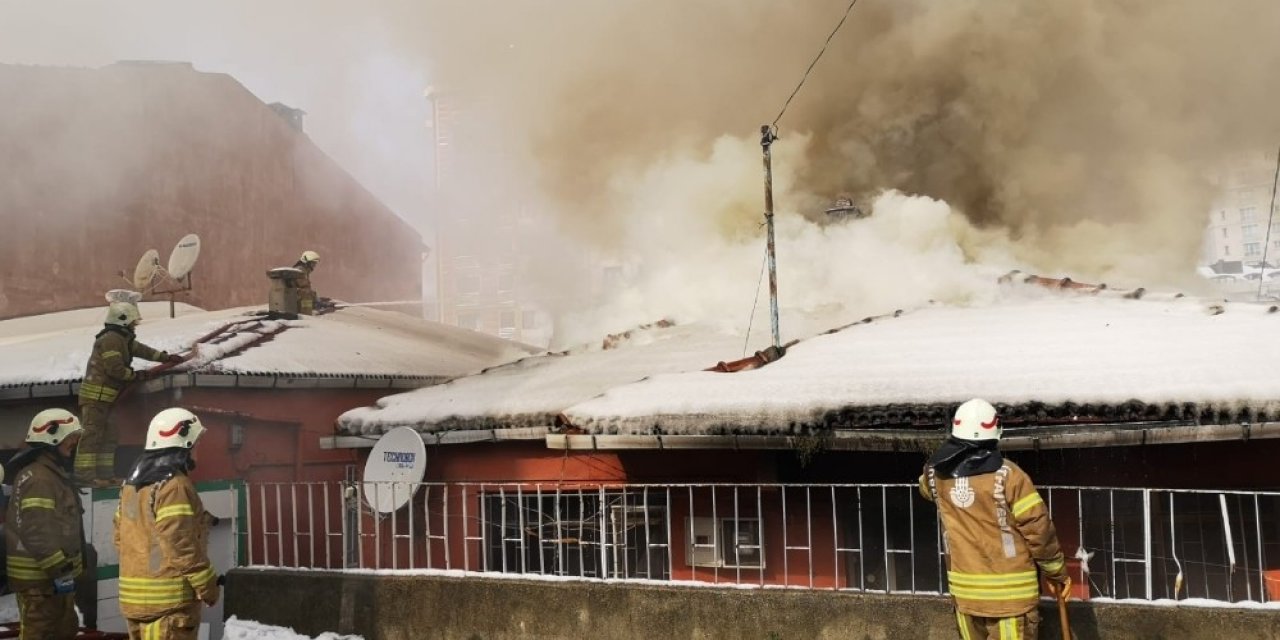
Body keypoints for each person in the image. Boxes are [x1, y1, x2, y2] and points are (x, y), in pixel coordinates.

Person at [919, 399, 1070, 640]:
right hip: (1012, 600)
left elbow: (925, 489)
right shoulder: (1011, 476)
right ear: (995, 432)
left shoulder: (934, 476)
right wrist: (1056, 573)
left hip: (966, 597)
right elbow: (1038, 530)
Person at [115, 407, 219, 640]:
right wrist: (208, 586)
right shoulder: (175, 486)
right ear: (183, 444)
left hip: (134, 603)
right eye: (196, 444)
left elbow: (120, 537)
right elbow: (180, 543)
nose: (198, 450)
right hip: (169, 607)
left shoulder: (131, 485)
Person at [77, 300, 181, 486]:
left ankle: (105, 476)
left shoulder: (123, 339)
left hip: (108, 400)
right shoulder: (110, 339)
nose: (135, 325)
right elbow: (115, 370)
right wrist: (137, 375)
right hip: (95, 399)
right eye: (133, 321)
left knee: (109, 438)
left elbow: (142, 350)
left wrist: (166, 358)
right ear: (123, 320)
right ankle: (86, 477)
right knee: (92, 437)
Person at [5, 408, 86, 640]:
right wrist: (60, 570)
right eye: (70, 438)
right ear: (52, 438)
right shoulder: (39, 478)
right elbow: (37, 531)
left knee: (63, 632)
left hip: (51, 583)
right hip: (41, 585)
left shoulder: (49, 474)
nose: (74, 443)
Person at [293, 250, 320, 315]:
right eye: (313, 263)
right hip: (293, 295)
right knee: (306, 292)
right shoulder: (300, 270)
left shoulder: (304, 270)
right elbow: (302, 285)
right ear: (307, 262)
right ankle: (306, 312)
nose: (314, 266)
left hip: (294, 294)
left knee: (311, 293)